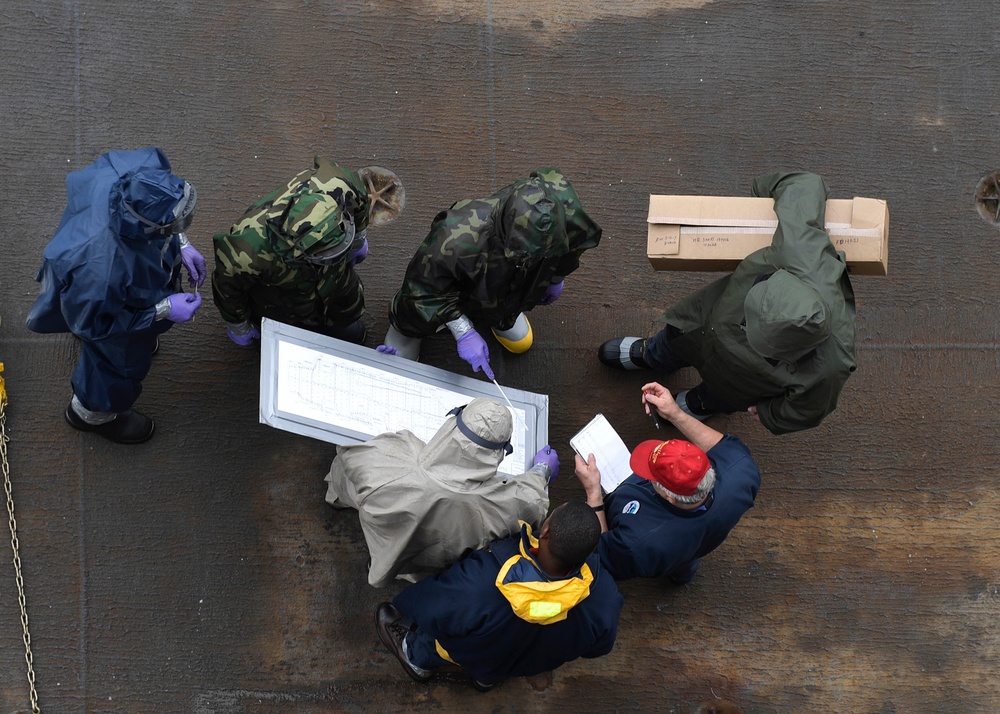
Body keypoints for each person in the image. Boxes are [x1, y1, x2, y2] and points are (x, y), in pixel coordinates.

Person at [598, 171, 856, 435]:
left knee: (718, 395)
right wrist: (757, 201)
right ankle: (653, 353)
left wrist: (769, 414)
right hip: (700, 325)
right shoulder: (803, 251)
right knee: (676, 339)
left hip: (739, 383)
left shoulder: (830, 369)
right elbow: (805, 183)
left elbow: (807, 412)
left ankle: (698, 403)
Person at [26, 147, 205, 444]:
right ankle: (91, 415)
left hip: (112, 285)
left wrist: (181, 243)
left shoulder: (141, 171)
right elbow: (96, 325)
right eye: (174, 226)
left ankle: (140, 332)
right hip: (99, 309)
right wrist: (161, 310)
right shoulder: (100, 271)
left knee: (126, 329)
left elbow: (162, 203)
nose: (180, 228)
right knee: (116, 364)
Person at [375, 501, 622, 691]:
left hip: (475, 651)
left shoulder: (481, 581)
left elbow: (430, 606)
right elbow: (600, 647)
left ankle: (414, 659)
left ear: (545, 530)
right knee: (494, 668)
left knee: (432, 645)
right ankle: (485, 682)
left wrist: (404, 603)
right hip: (523, 661)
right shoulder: (606, 598)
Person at [381, 167, 601, 379]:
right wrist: (463, 330)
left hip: (508, 276)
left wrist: (556, 277)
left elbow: (576, 244)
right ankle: (407, 333)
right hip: (447, 282)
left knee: (511, 291)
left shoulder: (564, 209)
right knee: (414, 306)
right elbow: (424, 289)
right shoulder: (454, 238)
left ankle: (500, 315)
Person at [325, 397, 557, 587]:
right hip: (426, 562)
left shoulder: (392, 450)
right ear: (500, 452)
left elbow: (348, 455)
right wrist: (541, 471)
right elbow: (532, 505)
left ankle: (336, 501)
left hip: (377, 525)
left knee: (345, 483)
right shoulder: (496, 505)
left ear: (454, 421)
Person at [575, 382, 760, 583]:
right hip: (699, 539)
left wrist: (593, 494)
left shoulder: (641, 543)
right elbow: (723, 445)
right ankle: (682, 574)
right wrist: (674, 413)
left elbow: (605, 556)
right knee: (686, 559)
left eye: (652, 476)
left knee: (671, 558)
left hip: (663, 546)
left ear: (670, 497)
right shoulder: (742, 470)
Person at [211, 157, 404, 346]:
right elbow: (228, 289)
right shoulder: (246, 252)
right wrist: (239, 326)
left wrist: (357, 241)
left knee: (344, 300)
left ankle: (337, 321)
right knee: (287, 317)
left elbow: (359, 202)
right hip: (283, 290)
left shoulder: (336, 183)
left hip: (335, 280)